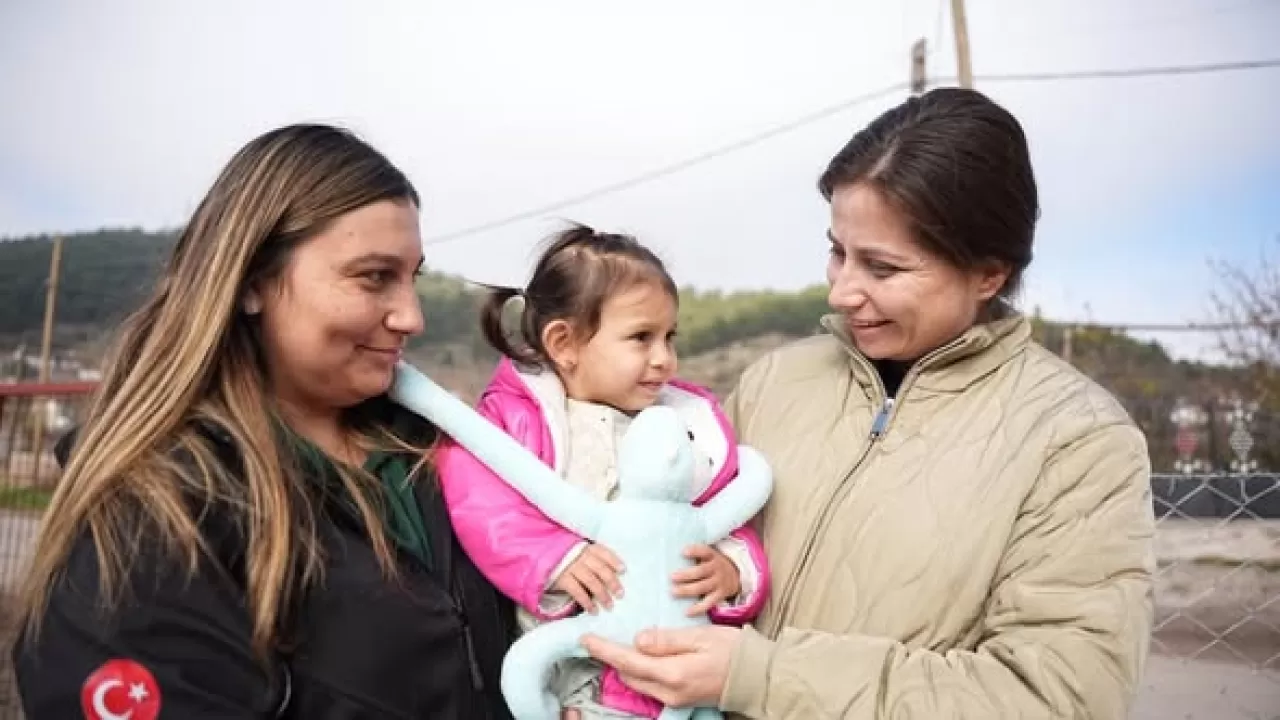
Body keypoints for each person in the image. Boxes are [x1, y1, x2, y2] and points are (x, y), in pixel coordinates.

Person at [577, 87, 1157, 719]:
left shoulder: (1079, 440)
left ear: (988, 274)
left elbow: (1058, 697)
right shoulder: (776, 382)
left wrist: (761, 677)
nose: (842, 291)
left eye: (881, 268)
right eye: (837, 251)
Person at [11, 123, 520, 719]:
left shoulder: (449, 455)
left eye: (412, 278)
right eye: (374, 277)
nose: (411, 317)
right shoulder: (154, 507)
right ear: (252, 281)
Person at [435, 223, 770, 718]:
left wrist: (733, 570)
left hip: (672, 673)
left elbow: (724, 517)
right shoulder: (518, 418)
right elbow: (481, 503)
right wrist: (554, 557)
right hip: (568, 666)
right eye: (641, 338)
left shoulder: (682, 428)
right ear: (564, 343)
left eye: (669, 337)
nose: (664, 359)